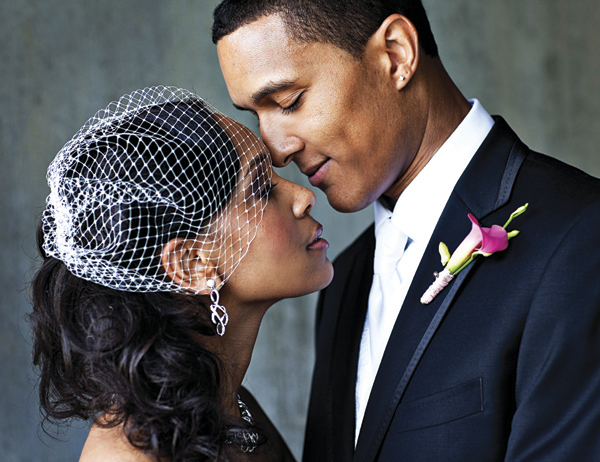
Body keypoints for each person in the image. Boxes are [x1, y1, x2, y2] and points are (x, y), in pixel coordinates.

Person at [212, 1, 600, 461]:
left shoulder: (579, 236)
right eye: (256, 115)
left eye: (289, 102)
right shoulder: (342, 278)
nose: (277, 149)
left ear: (396, 55)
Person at [30, 86, 333, 462]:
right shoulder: (133, 455)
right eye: (261, 189)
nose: (303, 197)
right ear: (191, 264)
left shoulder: (229, 405)